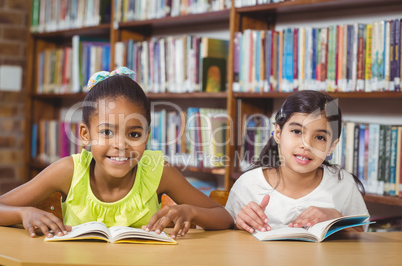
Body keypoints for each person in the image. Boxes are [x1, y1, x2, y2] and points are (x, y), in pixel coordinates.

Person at [0, 67, 233, 239]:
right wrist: (24, 213)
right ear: (84, 134)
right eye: (107, 132)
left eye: (134, 135)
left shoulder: (157, 170)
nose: (121, 145)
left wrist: (191, 211)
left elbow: (223, 216)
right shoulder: (69, 171)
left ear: (147, 136)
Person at [225, 90, 369, 233]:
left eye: (320, 137)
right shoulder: (248, 184)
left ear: (332, 146)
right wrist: (238, 224)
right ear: (278, 133)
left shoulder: (343, 184)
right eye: (297, 131)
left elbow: (361, 236)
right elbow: (227, 232)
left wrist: (337, 218)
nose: (306, 145)